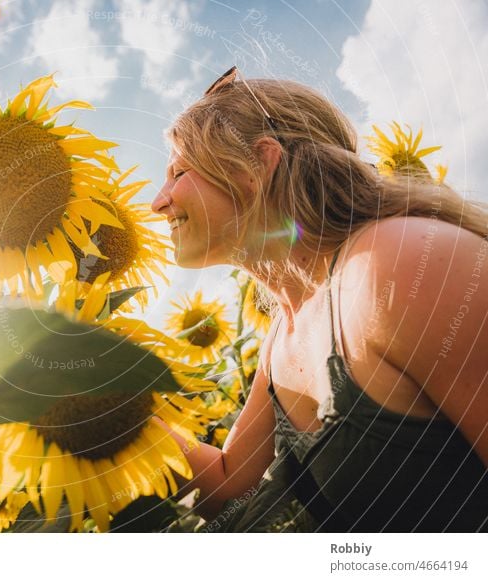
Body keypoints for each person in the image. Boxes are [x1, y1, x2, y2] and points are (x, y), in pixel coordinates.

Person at [150, 67, 488, 532]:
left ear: (255, 166)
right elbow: (231, 487)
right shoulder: (281, 337)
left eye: (177, 172)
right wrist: (114, 411)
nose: (158, 202)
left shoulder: (394, 267)